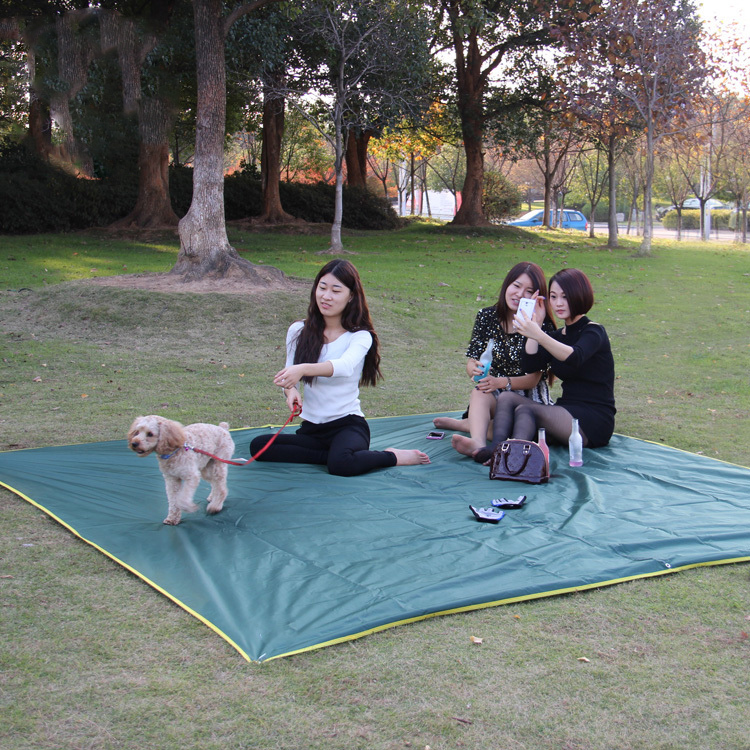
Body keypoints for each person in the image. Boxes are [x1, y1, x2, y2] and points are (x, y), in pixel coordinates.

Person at [249, 259, 431, 476]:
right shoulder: (298, 330)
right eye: (322, 288)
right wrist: (291, 390)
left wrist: (303, 369)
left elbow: (343, 367)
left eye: (336, 290)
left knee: (341, 466)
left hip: (348, 426)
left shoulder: (360, 336)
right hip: (312, 429)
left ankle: (391, 455)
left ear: (351, 296)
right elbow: (290, 376)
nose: (326, 296)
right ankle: (334, 455)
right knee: (259, 447)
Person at [441, 262, 556, 463]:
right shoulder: (487, 316)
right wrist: (473, 369)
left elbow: (533, 378)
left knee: (517, 432)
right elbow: (473, 360)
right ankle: (477, 442)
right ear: (506, 285)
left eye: (528, 291)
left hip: (528, 398)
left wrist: (501, 382)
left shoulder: (540, 325)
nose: (519, 294)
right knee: (480, 390)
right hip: (494, 391)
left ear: (537, 298)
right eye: (516, 286)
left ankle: (468, 425)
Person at [492, 267, 616, 451]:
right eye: (553, 296)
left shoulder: (594, 331)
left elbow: (575, 356)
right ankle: (495, 450)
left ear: (579, 295)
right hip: (564, 410)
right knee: (507, 398)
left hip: (594, 418)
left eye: (565, 297)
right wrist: (536, 327)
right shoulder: (557, 336)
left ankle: (514, 458)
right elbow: (530, 364)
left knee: (526, 410)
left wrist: (540, 335)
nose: (558, 303)